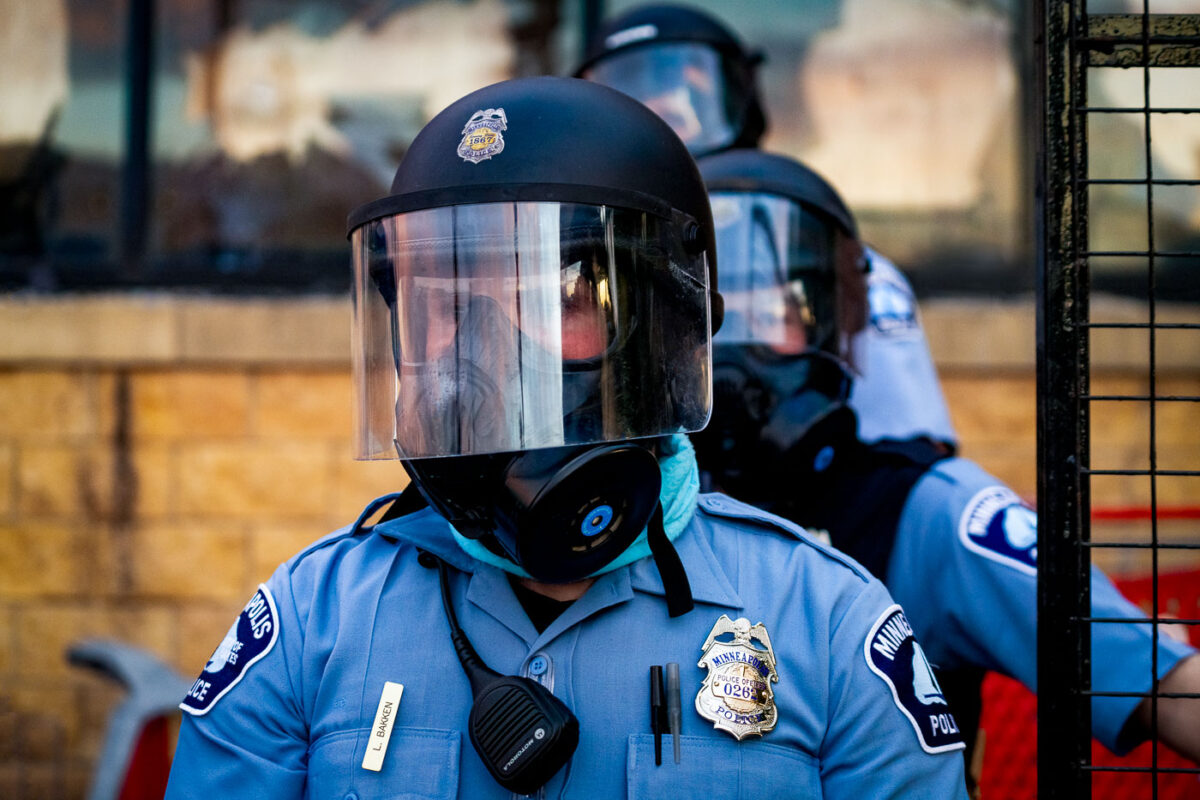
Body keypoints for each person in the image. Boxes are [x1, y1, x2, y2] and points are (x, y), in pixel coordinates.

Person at [163, 77, 969, 798]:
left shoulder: (825, 622)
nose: (486, 353)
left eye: (555, 298)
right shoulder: (313, 621)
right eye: (444, 304)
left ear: (668, 329)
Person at [688, 147, 1200, 777]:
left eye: (776, 311)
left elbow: (1162, 680)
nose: (735, 348)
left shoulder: (928, 513)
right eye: (713, 314)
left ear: (841, 323)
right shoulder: (619, 524)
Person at [575, 2, 959, 454]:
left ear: (743, 98)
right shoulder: (587, 269)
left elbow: (910, 456)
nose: (663, 107)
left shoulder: (831, 261)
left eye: (685, 89)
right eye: (631, 90)